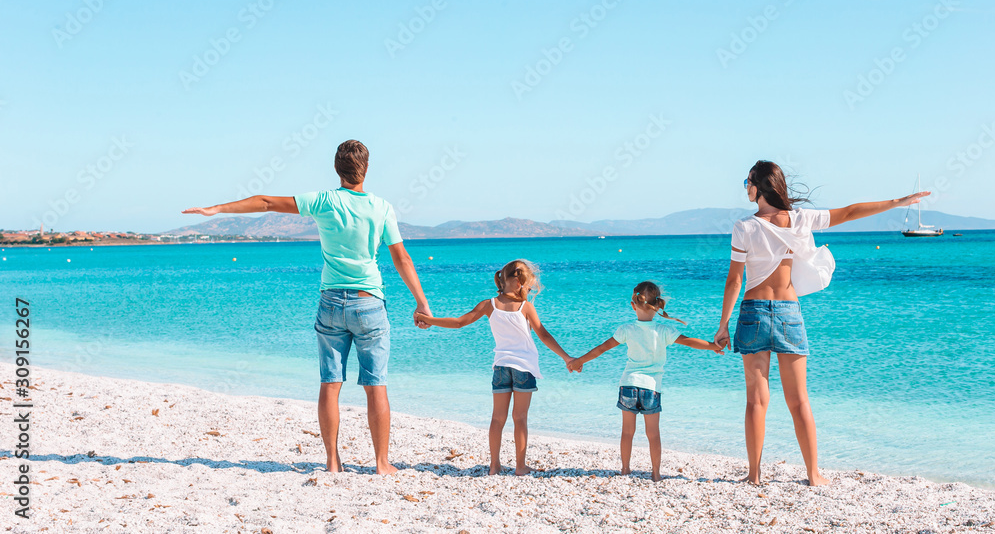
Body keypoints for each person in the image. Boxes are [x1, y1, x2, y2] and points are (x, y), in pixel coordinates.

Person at [183, 139, 431, 475]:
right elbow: (401, 258)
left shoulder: (323, 202)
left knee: (331, 382)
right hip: (369, 303)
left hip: (330, 302)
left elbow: (267, 202)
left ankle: (332, 461)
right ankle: (382, 463)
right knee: (376, 385)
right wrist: (421, 303)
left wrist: (216, 209)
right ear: (367, 168)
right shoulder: (382, 207)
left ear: (337, 168)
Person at [714, 160, 929, 486]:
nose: (745, 187)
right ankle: (814, 475)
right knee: (799, 399)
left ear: (758, 186)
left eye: (747, 181)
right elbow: (850, 212)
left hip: (753, 311)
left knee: (757, 399)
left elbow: (734, 281)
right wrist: (896, 203)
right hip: (787, 310)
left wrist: (723, 325)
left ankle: (754, 475)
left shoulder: (745, 226)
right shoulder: (800, 220)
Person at [414, 259, 573, 476]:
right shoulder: (526, 307)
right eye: (528, 284)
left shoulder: (489, 304)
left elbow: (460, 322)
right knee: (520, 418)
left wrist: (428, 319)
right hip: (524, 369)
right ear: (519, 282)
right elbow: (544, 335)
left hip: (500, 368)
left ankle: (494, 466)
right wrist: (567, 357)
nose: (528, 289)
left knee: (497, 418)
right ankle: (520, 466)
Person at [568, 281, 722, 481]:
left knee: (627, 432)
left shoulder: (626, 329)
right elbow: (690, 342)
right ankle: (656, 474)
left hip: (629, 385)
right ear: (658, 306)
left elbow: (602, 348)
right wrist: (713, 346)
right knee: (653, 434)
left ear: (633, 305)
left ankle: (625, 469)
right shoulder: (664, 330)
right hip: (651, 388)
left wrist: (579, 360)